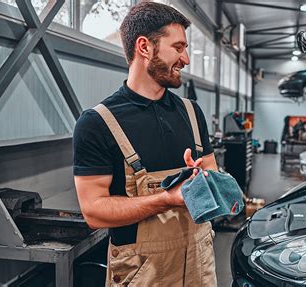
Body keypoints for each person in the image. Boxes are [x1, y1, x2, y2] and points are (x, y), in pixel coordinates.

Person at [72, 2, 218, 286]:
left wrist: (206, 181)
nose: (186, 59)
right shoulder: (97, 123)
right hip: (143, 273)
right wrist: (165, 199)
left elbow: (217, 177)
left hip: (200, 265)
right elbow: (93, 212)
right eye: (178, 47)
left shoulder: (191, 112)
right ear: (144, 47)